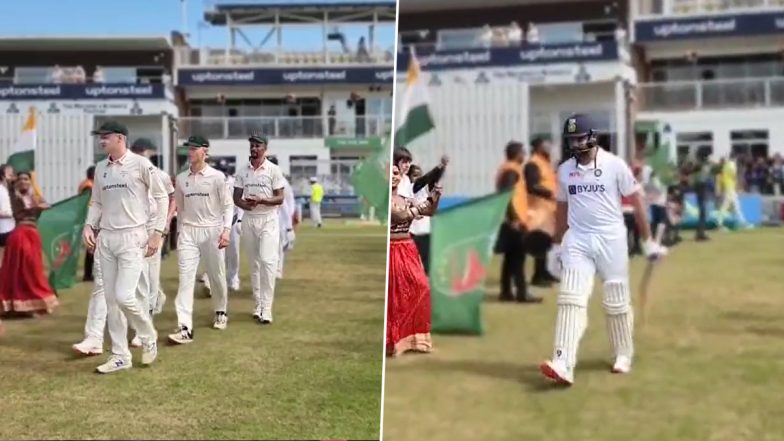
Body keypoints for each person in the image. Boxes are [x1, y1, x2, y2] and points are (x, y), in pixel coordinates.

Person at [539, 114, 664, 386]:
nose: (576, 143)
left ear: (593, 137)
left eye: (580, 137)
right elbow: (562, 209)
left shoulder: (614, 165)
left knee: (616, 301)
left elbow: (637, 200)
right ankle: (563, 362)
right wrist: (556, 245)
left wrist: (647, 240)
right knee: (570, 298)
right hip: (579, 240)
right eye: (571, 139)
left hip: (611, 239)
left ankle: (623, 353)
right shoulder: (564, 170)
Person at [82, 120, 168, 374]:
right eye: (99, 137)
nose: (101, 141)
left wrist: (157, 233)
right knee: (110, 301)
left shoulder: (141, 165)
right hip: (107, 238)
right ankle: (120, 355)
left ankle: (147, 334)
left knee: (124, 296)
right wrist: (89, 226)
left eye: (105, 137)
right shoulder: (101, 168)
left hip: (133, 237)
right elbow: (97, 202)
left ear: (120, 138)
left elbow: (162, 197)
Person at [169, 135, 233, 344]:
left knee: (216, 276)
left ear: (205, 151)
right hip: (188, 232)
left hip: (212, 231)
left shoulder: (217, 177)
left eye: (194, 148)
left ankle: (221, 311)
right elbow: (180, 206)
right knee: (185, 280)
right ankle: (184, 327)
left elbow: (227, 206)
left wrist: (226, 230)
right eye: (189, 148)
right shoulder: (181, 178)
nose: (190, 152)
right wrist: (179, 232)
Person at [387, 164, 441, 357]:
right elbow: (399, 215)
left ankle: (414, 340)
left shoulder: (404, 199)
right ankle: (393, 342)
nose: (393, 177)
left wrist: (435, 196)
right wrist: (420, 207)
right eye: (389, 173)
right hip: (391, 250)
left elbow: (430, 211)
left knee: (421, 288)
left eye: (396, 173)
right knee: (394, 296)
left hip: (407, 249)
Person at [233, 133, 285, 324]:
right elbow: (236, 197)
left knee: (268, 262)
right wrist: (246, 206)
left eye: (258, 146)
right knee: (254, 264)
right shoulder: (242, 171)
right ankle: (257, 305)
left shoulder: (273, 170)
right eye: (252, 146)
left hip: (268, 219)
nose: (254, 149)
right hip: (249, 219)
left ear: (265, 149)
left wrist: (262, 200)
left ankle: (267, 308)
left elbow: (280, 198)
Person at [129, 138, 176, 322]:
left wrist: (165, 222)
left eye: (143, 152)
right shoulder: (127, 176)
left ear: (150, 153)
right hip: (132, 229)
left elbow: (172, 198)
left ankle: (146, 316)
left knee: (149, 271)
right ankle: (154, 298)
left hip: (153, 229)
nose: (139, 155)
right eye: (136, 151)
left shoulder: (160, 175)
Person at [0, 171, 58, 317]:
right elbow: (30, 207)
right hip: (20, 235)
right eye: (20, 179)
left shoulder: (35, 196)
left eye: (26, 179)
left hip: (32, 235)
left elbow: (46, 205)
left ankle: (31, 305)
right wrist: (38, 206)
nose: (23, 182)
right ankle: (18, 305)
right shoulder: (14, 195)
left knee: (33, 270)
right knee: (21, 270)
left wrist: (41, 205)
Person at [494, 141, 541, 303]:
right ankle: (522, 292)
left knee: (510, 257)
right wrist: (514, 218)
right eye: (522, 152)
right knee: (518, 258)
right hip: (514, 221)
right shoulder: (511, 171)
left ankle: (506, 291)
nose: (524, 155)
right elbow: (506, 195)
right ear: (516, 154)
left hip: (511, 220)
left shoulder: (509, 169)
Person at [524, 137, 560, 287]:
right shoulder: (533, 164)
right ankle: (537, 276)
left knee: (546, 243)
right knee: (540, 242)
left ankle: (544, 271)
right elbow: (532, 186)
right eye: (546, 145)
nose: (549, 147)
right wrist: (550, 194)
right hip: (537, 209)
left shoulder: (546, 163)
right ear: (538, 147)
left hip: (548, 209)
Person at [267, 156, 296, 279]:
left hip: (280, 218)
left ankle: (278, 270)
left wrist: (288, 223)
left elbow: (289, 203)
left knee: (278, 245)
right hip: (266, 217)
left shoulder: (282, 182)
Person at [78, 165, 96, 281]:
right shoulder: (88, 186)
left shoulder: (88, 184)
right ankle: (87, 275)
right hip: (89, 219)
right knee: (91, 247)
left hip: (91, 218)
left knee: (93, 247)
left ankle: (89, 274)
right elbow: (86, 203)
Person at [0, 164, 15, 269]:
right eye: (9, 174)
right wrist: (9, 214)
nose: (12, 176)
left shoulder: (9, 190)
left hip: (10, 226)